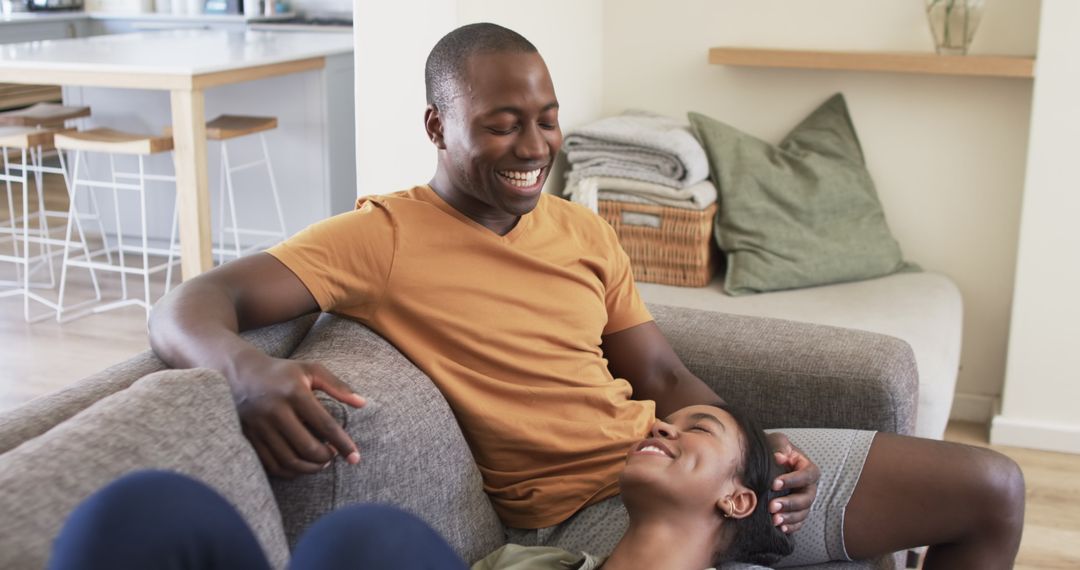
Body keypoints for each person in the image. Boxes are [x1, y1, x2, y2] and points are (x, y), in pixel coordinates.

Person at [148, 22, 1025, 568]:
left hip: (676, 466)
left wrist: (753, 454)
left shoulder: (579, 228)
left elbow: (663, 376)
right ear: (437, 126)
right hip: (589, 517)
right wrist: (245, 372)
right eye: (502, 124)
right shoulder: (379, 237)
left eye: (546, 119)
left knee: (990, 489)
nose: (535, 146)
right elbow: (194, 301)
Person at [49, 404, 792, 570]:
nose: (661, 424)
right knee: (151, 507)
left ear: (738, 499)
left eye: (696, 427)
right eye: (667, 418)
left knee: (363, 539)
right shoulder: (524, 562)